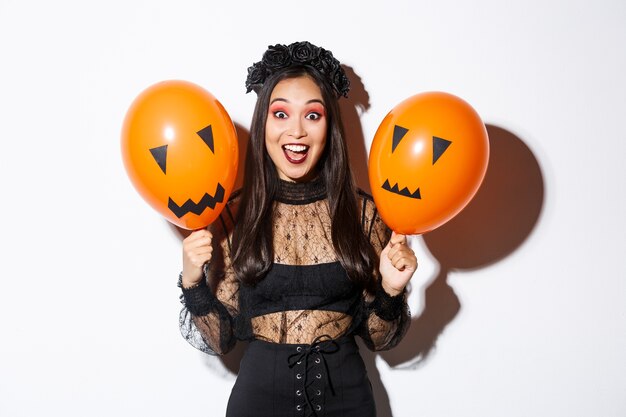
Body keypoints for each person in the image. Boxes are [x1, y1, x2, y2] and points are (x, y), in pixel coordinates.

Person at [178, 41, 418, 417]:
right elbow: (221, 339)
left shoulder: (364, 213)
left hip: (348, 402)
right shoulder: (233, 215)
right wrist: (193, 282)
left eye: (312, 116)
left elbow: (379, 340)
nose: (296, 131)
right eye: (280, 114)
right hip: (258, 402)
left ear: (329, 127)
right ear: (263, 124)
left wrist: (390, 289)